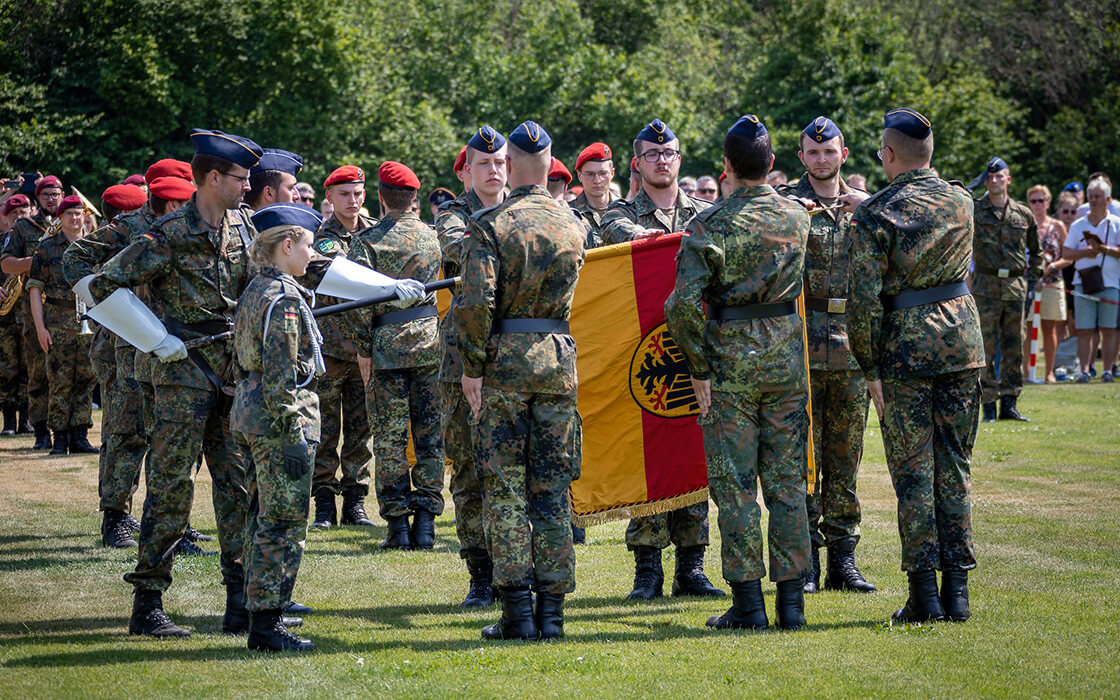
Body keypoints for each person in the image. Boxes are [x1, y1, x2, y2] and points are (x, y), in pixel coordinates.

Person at [87, 128, 265, 638]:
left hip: (231, 374)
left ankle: (240, 601)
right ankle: (148, 605)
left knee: (237, 485)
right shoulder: (167, 234)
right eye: (240, 178)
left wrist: (386, 288)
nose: (247, 186)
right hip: (180, 378)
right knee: (170, 488)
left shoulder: (246, 228)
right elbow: (102, 286)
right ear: (213, 178)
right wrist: (153, 336)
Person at [666, 114, 811, 631]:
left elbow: (681, 305)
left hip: (730, 367)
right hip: (787, 362)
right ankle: (792, 604)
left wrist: (698, 367)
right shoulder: (797, 216)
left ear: (726, 166)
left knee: (736, 488)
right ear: (772, 163)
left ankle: (749, 605)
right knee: (788, 483)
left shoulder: (711, 223)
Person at [844, 107, 983, 623]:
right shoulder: (962, 200)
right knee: (956, 468)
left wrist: (869, 369)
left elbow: (862, 303)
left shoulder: (876, 213)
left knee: (913, 474)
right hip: (962, 343)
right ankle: (958, 593)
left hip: (905, 352)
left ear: (888, 155)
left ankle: (925, 595)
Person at [457, 120, 586, 640]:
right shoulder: (573, 223)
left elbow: (475, 304)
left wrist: (472, 367)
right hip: (556, 361)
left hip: (504, 365)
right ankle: (552, 614)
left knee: (506, 489)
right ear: (552, 163)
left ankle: (517, 613)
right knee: (552, 490)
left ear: (508, 164)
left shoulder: (490, 225)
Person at [600, 118, 722, 600]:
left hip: (695, 350)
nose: (661, 161)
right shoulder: (619, 214)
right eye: (651, 154)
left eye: (668, 152)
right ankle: (647, 569)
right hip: (641, 352)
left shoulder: (705, 212)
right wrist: (658, 239)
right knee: (648, 454)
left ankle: (692, 567)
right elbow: (622, 237)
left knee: (694, 450)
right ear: (637, 163)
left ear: (679, 158)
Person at [65, 164, 195, 549]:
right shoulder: (131, 225)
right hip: (130, 346)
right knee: (126, 432)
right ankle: (116, 517)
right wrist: (110, 304)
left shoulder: (194, 223)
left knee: (172, 436)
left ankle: (172, 521)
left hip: (179, 344)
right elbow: (76, 258)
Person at [777, 116, 875, 595]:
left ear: (844, 154)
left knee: (845, 458)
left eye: (829, 151)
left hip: (852, 347)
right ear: (801, 157)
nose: (821, 159)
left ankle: (844, 559)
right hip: (802, 346)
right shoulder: (785, 205)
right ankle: (808, 561)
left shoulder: (866, 207)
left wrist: (869, 205)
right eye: (812, 152)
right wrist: (788, 214)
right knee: (803, 462)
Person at [232, 203, 325, 652]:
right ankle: (267, 625)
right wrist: (293, 433)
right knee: (282, 521)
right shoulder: (284, 298)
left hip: (253, 415)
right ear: (287, 245)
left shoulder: (258, 288)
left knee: (261, 515)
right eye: (308, 246)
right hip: (279, 423)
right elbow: (280, 373)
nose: (312, 255)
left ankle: (259, 611)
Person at [347, 162, 444, 549]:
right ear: (414, 197)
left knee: (389, 440)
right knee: (429, 437)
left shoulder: (368, 241)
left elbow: (357, 301)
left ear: (380, 197)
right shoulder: (433, 236)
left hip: (386, 348)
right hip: (429, 344)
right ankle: (426, 523)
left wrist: (364, 348)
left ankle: (398, 526)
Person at [435, 126, 508, 607]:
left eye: (500, 162)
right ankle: (480, 573)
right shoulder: (453, 216)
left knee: (510, 468)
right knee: (467, 468)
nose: (493, 170)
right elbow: (458, 250)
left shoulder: (521, 208)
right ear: (466, 172)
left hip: (512, 355)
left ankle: (512, 569)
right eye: (484, 163)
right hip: (461, 356)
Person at [309, 165, 375, 529]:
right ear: (330, 197)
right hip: (331, 351)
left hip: (366, 350)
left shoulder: (376, 232)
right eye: (345, 194)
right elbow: (337, 277)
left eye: (358, 193)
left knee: (361, 431)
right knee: (325, 429)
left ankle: (355, 501)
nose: (353, 201)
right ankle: (323, 502)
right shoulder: (321, 238)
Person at [966, 157, 1039, 421]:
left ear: (1008, 180)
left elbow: (1036, 251)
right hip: (985, 286)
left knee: (1014, 346)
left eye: (999, 176)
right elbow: (957, 200)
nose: (994, 181)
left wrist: (1033, 281)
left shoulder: (1023, 214)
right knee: (984, 348)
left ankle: (1009, 402)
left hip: (1015, 288)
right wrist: (973, 185)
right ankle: (987, 404)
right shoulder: (975, 209)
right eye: (989, 177)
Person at [27, 195, 98, 455]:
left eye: (78, 213)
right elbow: (35, 289)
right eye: (69, 214)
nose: (74, 218)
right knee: (59, 381)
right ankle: (59, 437)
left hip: (89, 321)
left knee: (86, 381)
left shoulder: (95, 246)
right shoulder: (46, 248)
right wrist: (40, 328)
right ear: (60, 218)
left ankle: (80, 435)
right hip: (57, 322)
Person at [1, 174, 64, 449]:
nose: (51, 199)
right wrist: (34, 260)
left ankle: (68, 432)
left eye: (55, 194)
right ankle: (40, 432)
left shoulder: (70, 222)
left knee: (67, 374)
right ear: (37, 198)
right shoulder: (24, 228)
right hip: (32, 311)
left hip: (66, 310)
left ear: (62, 196)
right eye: (46, 194)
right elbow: (7, 264)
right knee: (36, 372)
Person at [1063, 178, 1120, 382]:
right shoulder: (1078, 224)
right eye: (1091, 197)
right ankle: (1085, 371)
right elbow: (1066, 253)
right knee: (1084, 330)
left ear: (1108, 200)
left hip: (1111, 283)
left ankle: (1107, 371)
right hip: (1083, 283)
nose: (1093, 200)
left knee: (1109, 329)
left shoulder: (1117, 223)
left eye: (1098, 197)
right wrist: (1085, 252)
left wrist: (1105, 249)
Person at [1027, 185, 1071, 382]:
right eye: (1033, 201)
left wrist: (1052, 266)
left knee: (1049, 327)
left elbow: (1068, 256)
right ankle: (1026, 372)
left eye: (1041, 200)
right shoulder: (1025, 224)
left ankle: (1049, 372)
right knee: (1027, 327)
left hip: (1053, 281)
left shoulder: (1058, 226)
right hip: (1029, 282)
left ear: (1048, 202)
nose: (1037, 205)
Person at [0, 194, 32, 436]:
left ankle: (27, 420)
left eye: (23, 212)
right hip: (5, 315)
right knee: (6, 367)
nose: (19, 217)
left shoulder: (36, 240)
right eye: (14, 214)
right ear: (6, 217)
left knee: (30, 367)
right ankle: (9, 421)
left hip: (29, 311)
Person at [570, 142, 615, 244]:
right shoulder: (569, 214)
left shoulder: (626, 210)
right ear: (579, 176)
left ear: (612, 173)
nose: (597, 180)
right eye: (590, 174)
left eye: (603, 173)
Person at [1056, 192, 1083, 341]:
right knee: (1059, 322)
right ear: (1059, 211)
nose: (1069, 215)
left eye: (1073, 212)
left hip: (1075, 280)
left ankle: (1074, 354)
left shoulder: (1080, 230)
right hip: (1057, 278)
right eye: (1065, 211)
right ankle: (1059, 354)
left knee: (1074, 323)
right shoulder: (1053, 230)